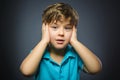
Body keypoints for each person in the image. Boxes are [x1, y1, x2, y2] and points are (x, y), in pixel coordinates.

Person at [20, 2, 102, 80]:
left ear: (74, 31)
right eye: (55, 27)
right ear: (44, 29)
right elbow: (26, 72)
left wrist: (74, 42)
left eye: (67, 28)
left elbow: (96, 68)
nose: (61, 33)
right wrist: (44, 41)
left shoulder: (76, 54)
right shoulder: (38, 53)